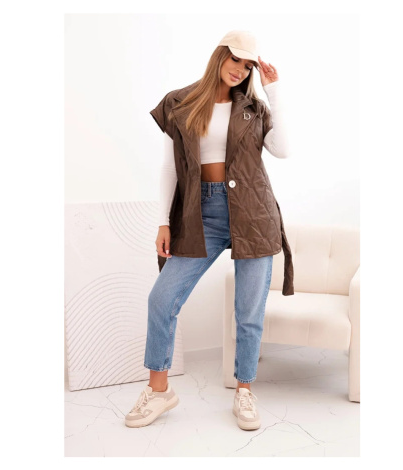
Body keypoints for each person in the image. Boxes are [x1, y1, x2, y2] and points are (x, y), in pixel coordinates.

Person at [125, 30, 291, 431]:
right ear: (220, 55)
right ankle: (160, 391)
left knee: (248, 313)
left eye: (248, 66)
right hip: (201, 214)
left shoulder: (254, 108)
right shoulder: (180, 102)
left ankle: (244, 391)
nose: (240, 70)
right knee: (162, 299)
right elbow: (170, 167)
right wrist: (163, 221)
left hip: (252, 214)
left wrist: (274, 91)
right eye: (236, 60)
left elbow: (283, 149)